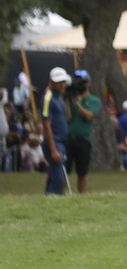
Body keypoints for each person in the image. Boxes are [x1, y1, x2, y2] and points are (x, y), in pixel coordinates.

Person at [65, 72, 100, 194]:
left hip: (83, 140)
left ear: (88, 83)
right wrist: (67, 100)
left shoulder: (93, 100)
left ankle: (82, 195)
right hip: (69, 138)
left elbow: (88, 116)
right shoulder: (70, 98)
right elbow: (68, 117)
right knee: (65, 170)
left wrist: (77, 104)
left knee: (82, 172)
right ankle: (61, 194)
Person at [41, 67, 70, 195]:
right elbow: (46, 125)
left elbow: (68, 117)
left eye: (63, 82)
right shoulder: (48, 98)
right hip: (54, 142)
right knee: (59, 179)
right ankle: (55, 200)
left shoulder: (60, 97)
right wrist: (53, 149)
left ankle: (47, 200)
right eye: (58, 82)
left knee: (54, 177)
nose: (62, 85)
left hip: (61, 142)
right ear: (51, 82)